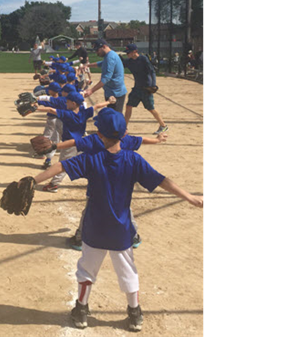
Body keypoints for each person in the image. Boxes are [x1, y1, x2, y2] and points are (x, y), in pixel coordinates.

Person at [23, 108, 203, 331]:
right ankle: (135, 313)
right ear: (124, 133)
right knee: (128, 271)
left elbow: (61, 166)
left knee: (87, 269)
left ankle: (81, 311)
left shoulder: (92, 158)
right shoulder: (133, 159)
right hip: (121, 229)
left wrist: (33, 180)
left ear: (100, 134)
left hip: (94, 227)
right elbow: (162, 180)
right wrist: (189, 196)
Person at [33, 91, 106, 193]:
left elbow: (51, 110)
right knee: (88, 161)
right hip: (82, 141)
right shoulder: (84, 112)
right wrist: (109, 102)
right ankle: (101, 178)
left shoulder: (68, 114)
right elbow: (97, 106)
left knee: (63, 164)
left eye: (68, 102)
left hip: (69, 144)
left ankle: (54, 184)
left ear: (74, 103)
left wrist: (36, 108)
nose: (66, 103)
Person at [122, 44, 169, 135]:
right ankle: (124, 128)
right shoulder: (129, 61)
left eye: (129, 52)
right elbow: (119, 64)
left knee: (150, 108)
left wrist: (153, 84)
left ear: (135, 51)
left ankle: (163, 126)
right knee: (128, 106)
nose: (127, 54)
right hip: (136, 88)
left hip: (146, 88)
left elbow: (152, 71)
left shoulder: (143, 59)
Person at [81, 38, 127, 113]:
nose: (96, 53)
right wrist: (87, 65)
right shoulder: (109, 55)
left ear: (104, 46)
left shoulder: (110, 57)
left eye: (97, 50)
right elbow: (101, 64)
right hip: (112, 91)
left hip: (115, 93)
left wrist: (91, 90)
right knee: (113, 116)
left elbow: (106, 78)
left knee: (115, 117)